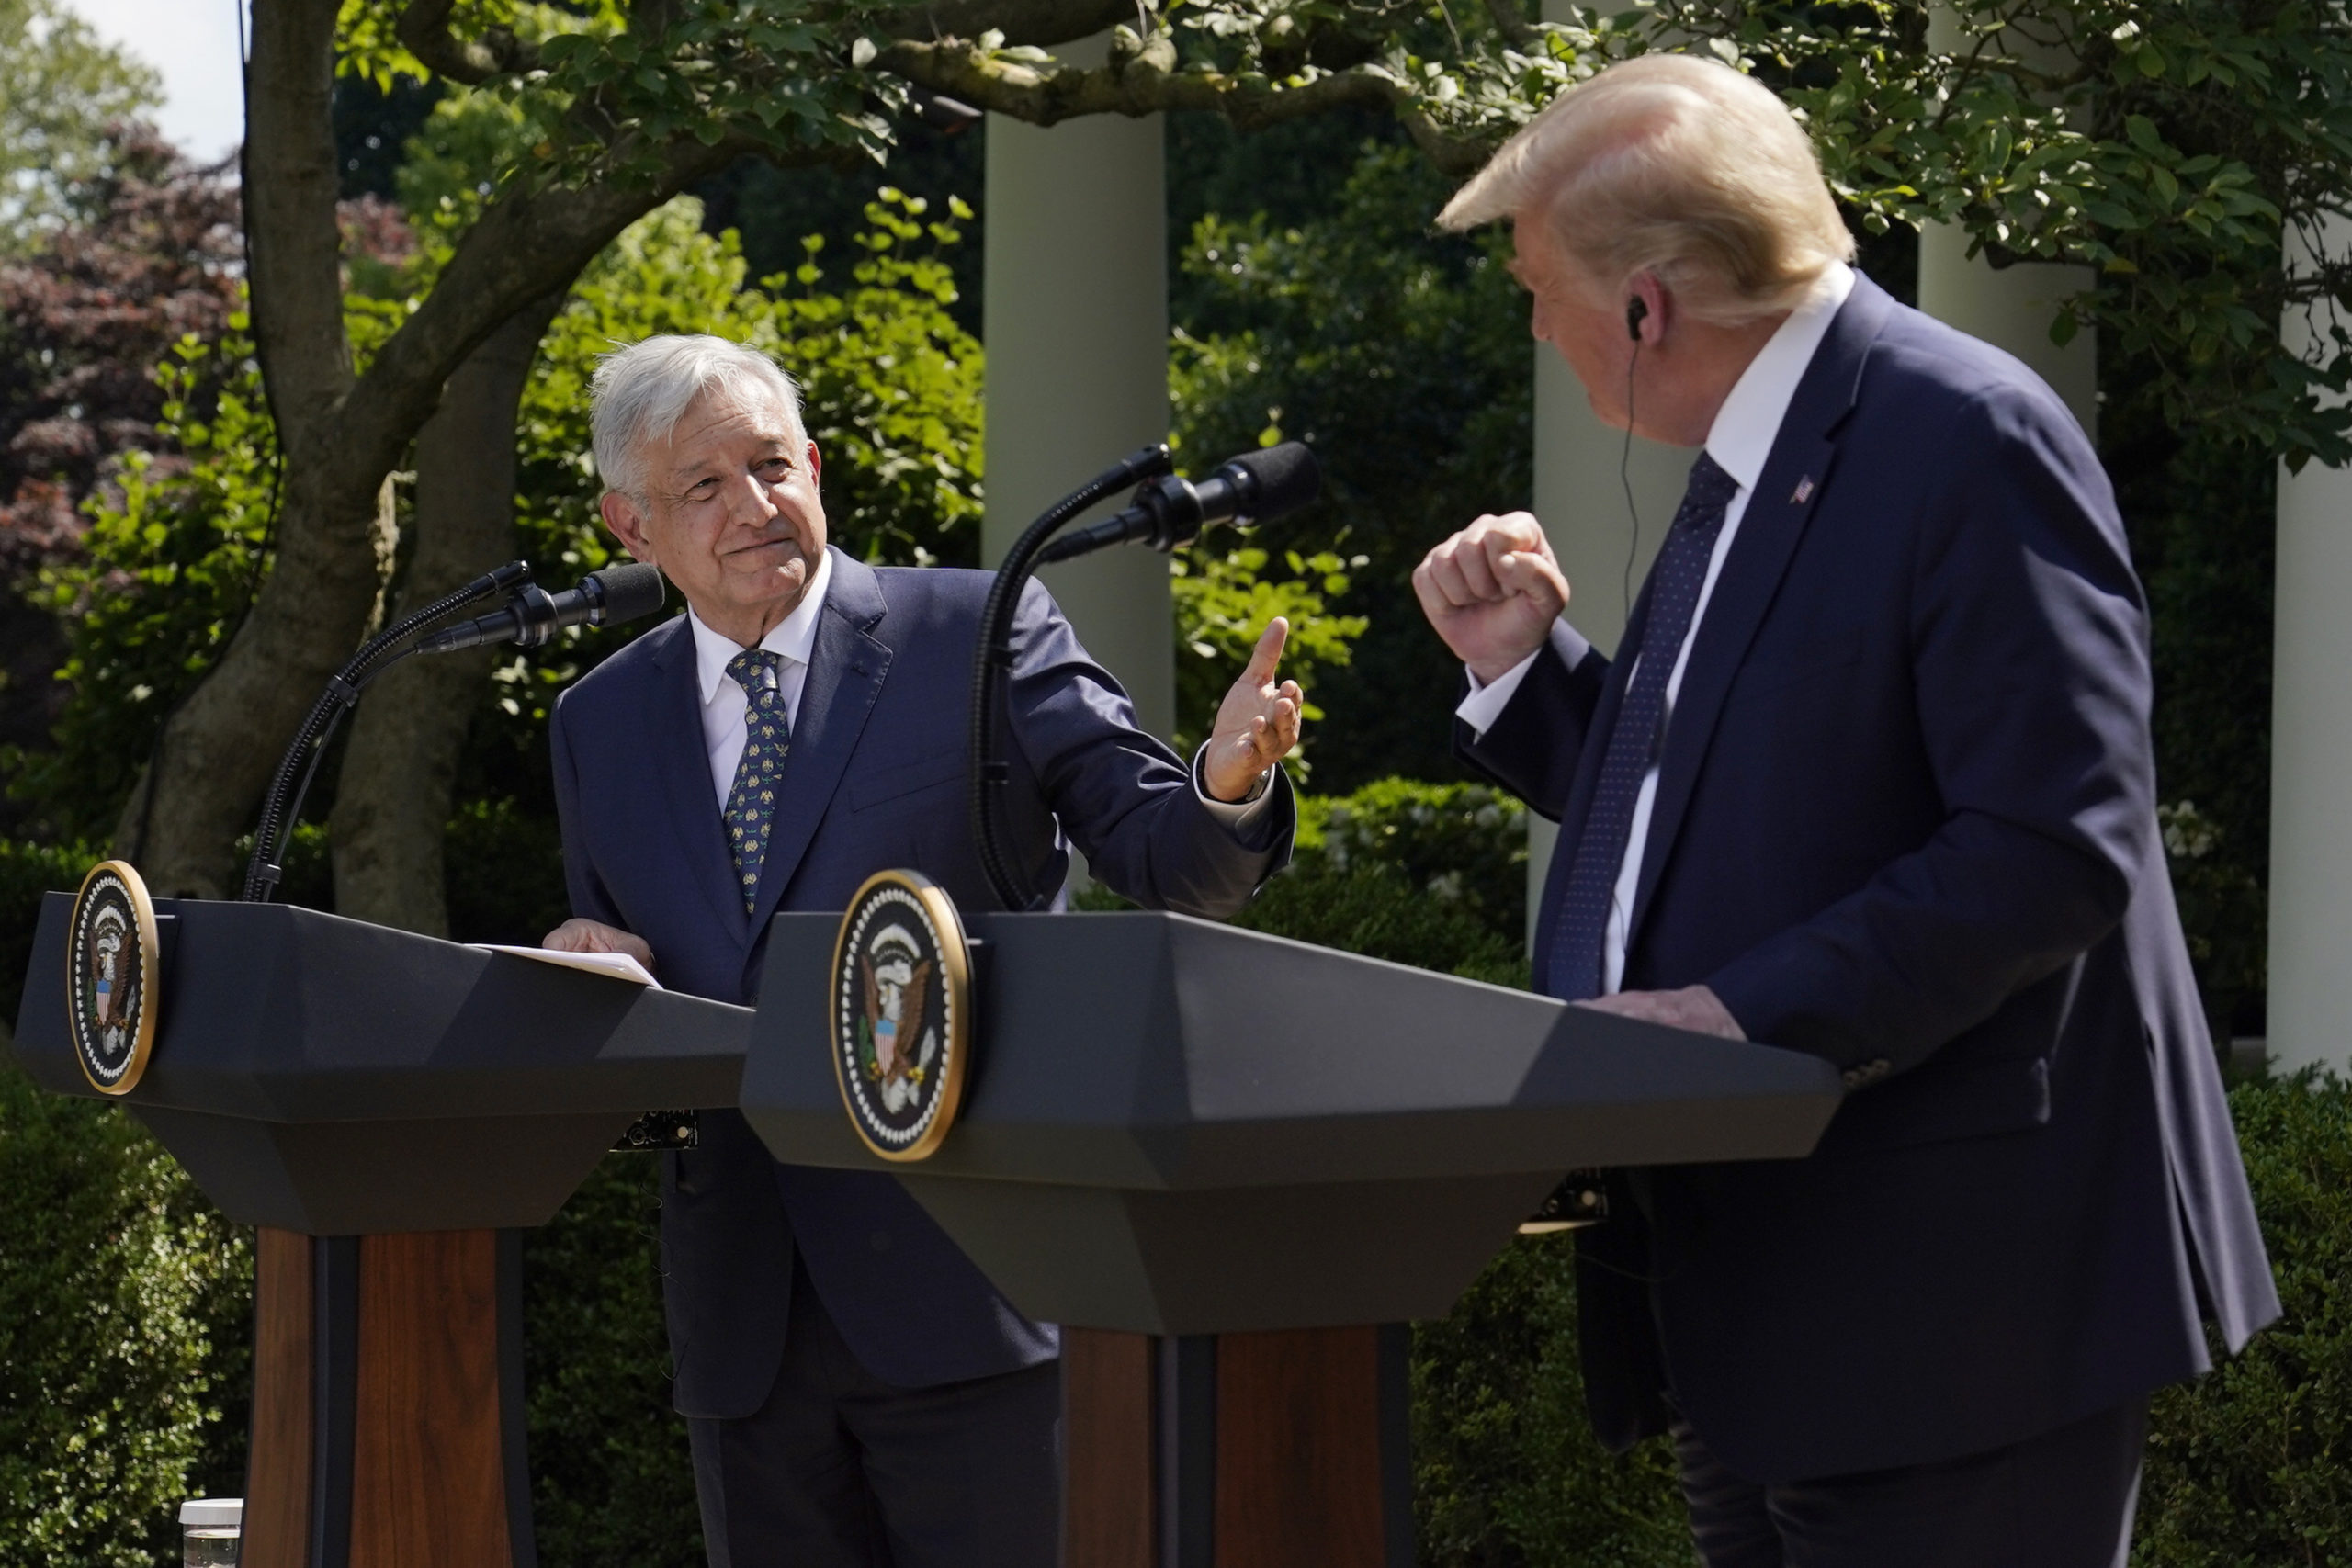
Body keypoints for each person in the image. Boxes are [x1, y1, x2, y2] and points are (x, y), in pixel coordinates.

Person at [1415, 55, 2278, 1565]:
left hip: (1953, 1317)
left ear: (1648, 306)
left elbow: (2053, 839)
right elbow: (1764, 795)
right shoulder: (1759, 452)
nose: (1535, 325)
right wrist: (1530, 680)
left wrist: (1741, 1017)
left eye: (1539, 289)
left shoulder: (1963, 435)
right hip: (1774, 1303)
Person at [544, 334, 1300, 1567]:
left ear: (818, 467)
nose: (755, 505)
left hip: (977, 1288)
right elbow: (640, 980)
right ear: (631, 528)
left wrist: (1222, 782)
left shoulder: (971, 632)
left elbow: (1168, 857)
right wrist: (579, 968)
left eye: (773, 464)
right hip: (744, 1320)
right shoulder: (598, 723)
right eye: (704, 487)